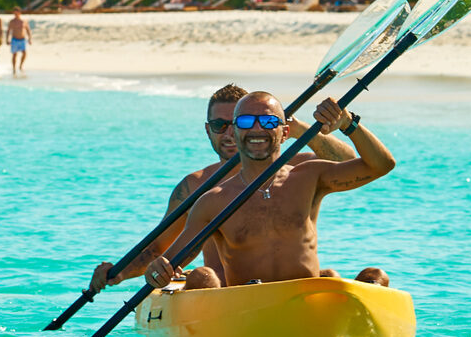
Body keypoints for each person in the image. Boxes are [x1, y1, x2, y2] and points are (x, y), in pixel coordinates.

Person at [88, 83, 356, 292]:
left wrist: (298, 129)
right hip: (224, 297)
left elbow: (351, 163)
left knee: (334, 276)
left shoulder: (296, 167)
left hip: (294, 290)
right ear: (208, 130)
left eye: (240, 122)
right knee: (203, 276)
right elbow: (160, 249)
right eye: (220, 125)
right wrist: (119, 273)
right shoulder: (196, 186)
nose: (228, 132)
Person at [145, 91, 395, 290]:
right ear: (234, 130)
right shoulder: (212, 201)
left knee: (375, 276)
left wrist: (348, 123)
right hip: (247, 307)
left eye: (268, 121)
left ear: (285, 131)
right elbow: (169, 262)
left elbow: (382, 165)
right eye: (245, 121)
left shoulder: (310, 176)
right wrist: (156, 272)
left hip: (306, 301)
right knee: (202, 276)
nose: (257, 129)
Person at [7, 9, 32, 76]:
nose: (16, 15)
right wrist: (7, 39)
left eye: (17, 13)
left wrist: (30, 39)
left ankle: (20, 65)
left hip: (22, 40)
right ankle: (14, 69)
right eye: (14, 13)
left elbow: (28, 30)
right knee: (14, 55)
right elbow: (8, 31)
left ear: (19, 13)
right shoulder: (12, 22)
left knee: (24, 53)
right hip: (14, 39)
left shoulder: (24, 21)